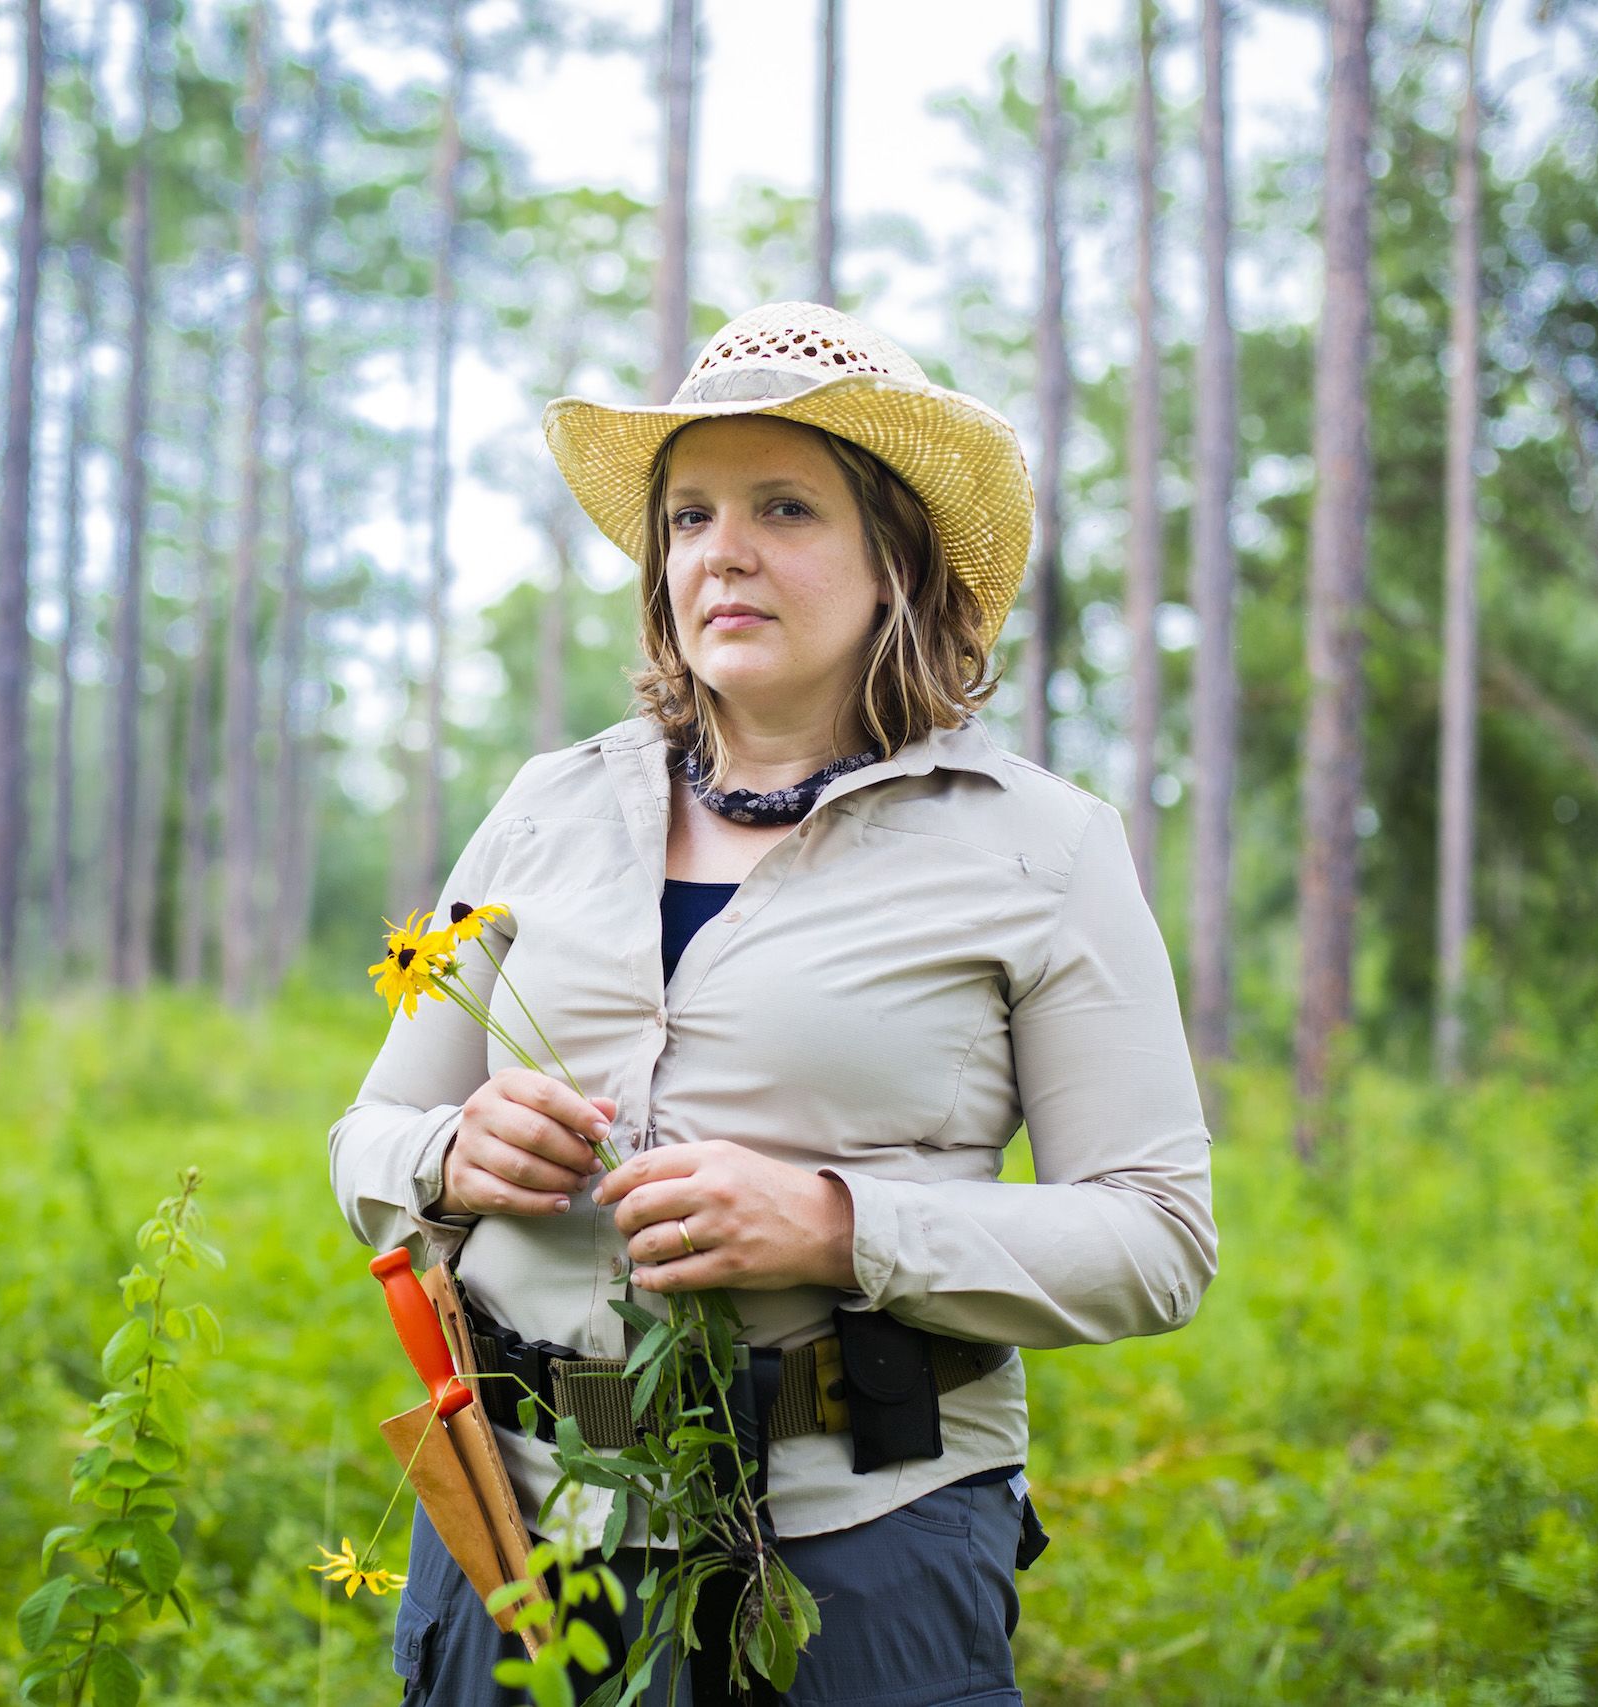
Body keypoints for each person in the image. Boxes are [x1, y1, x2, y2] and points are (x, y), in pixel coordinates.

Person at [329, 301, 1218, 1705]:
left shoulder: (1043, 848)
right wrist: (449, 1156)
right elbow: (367, 1139)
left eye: (784, 505)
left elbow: (1159, 1239)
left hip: (862, 1555)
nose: (721, 550)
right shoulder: (543, 811)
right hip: (522, 1536)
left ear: (897, 561)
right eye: (688, 518)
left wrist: (835, 1225)